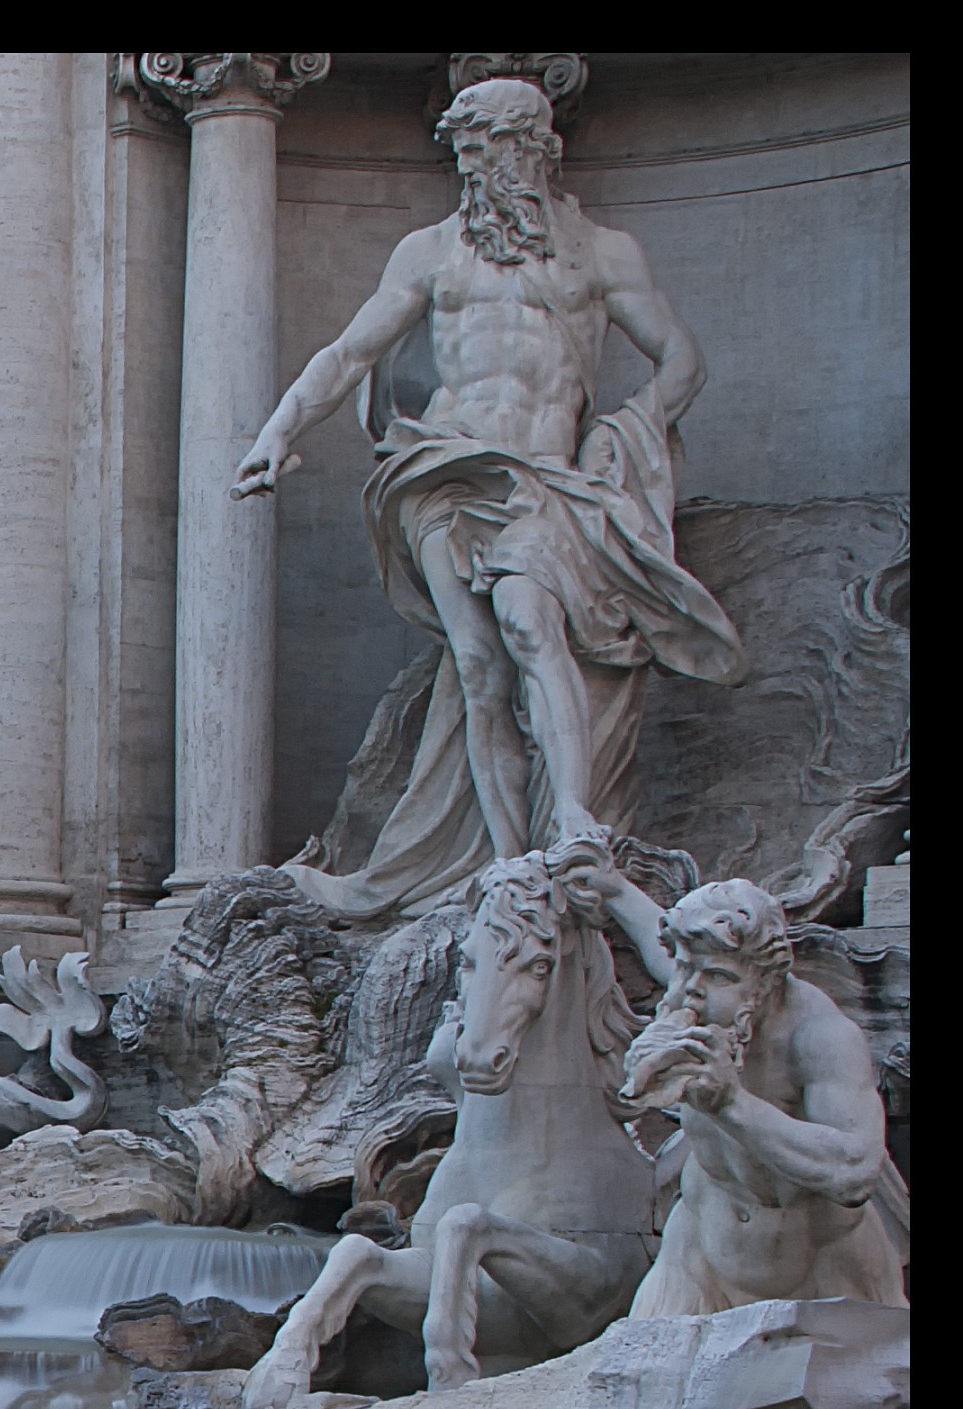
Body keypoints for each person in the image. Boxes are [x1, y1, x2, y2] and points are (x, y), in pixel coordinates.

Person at [235, 77, 744, 918]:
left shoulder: (601, 253)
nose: (474, 165)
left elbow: (680, 359)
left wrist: (622, 436)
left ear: (536, 146)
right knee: (474, 665)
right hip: (438, 470)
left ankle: (573, 823)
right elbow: (349, 352)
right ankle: (510, 870)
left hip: (542, 477)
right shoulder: (429, 251)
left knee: (528, 623)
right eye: (464, 149)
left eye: (490, 146)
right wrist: (276, 432)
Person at [561, 857, 906, 1313]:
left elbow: (855, 1170)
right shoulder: (704, 986)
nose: (689, 990)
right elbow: (658, 941)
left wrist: (732, 1105)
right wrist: (613, 887)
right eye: (685, 968)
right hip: (697, 1257)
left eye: (718, 977)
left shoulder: (821, 1037)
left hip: (824, 1271)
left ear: (766, 979)